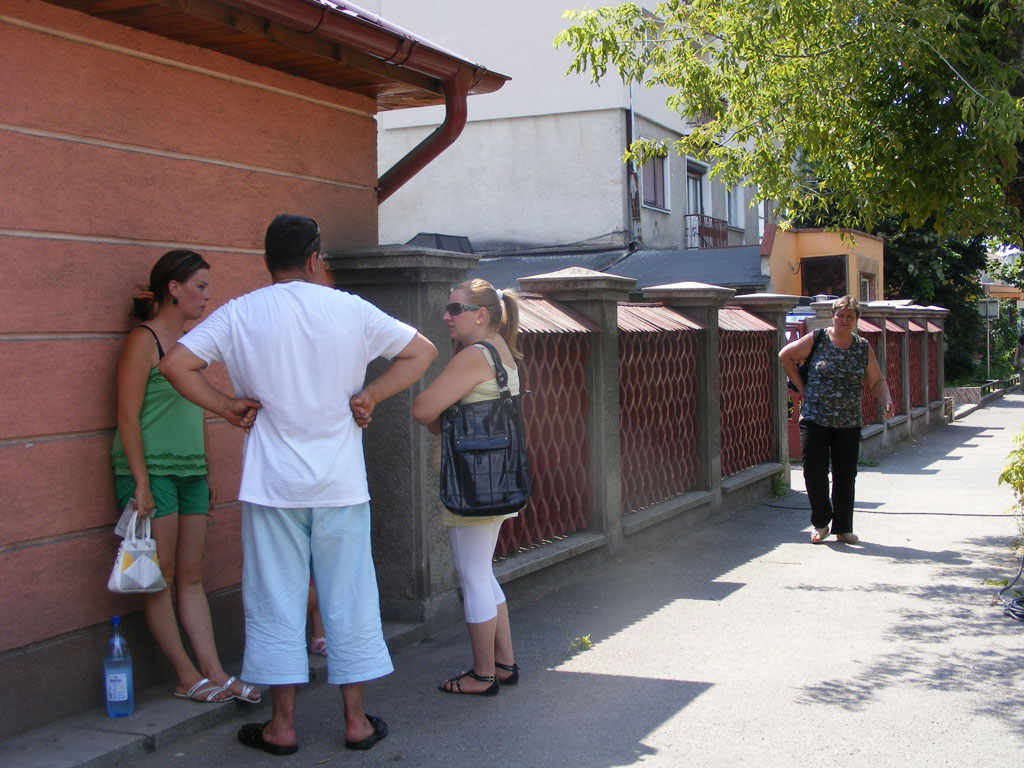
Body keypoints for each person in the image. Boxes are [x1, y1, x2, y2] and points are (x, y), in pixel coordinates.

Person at [160, 214, 436, 755]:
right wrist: (371, 397)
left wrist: (226, 406)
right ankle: (355, 721)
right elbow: (420, 351)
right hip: (340, 484)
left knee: (275, 600)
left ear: (268, 261)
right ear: (315, 259)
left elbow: (175, 364)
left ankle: (281, 725)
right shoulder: (348, 308)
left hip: (272, 485)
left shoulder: (240, 313)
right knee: (348, 598)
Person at [110, 250, 260, 704]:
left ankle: (215, 672)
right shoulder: (144, 340)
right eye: (199, 286)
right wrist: (138, 481)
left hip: (191, 472)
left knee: (192, 574)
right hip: (151, 472)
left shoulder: (192, 345)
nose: (207, 295)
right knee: (162, 572)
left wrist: (208, 467)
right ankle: (184, 675)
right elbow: (127, 416)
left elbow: (198, 410)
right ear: (173, 289)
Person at [411, 279, 523, 696]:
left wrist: (441, 419)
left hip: (469, 481)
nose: (446, 316)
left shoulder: (474, 355)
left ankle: (482, 674)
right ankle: (504, 663)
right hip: (494, 476)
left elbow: (422, 409)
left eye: (454, 309)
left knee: (472, 573)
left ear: (480, 314)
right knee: (482, 570)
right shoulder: (500, 350)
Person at [779, 295, 894, 544]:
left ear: (856, 320)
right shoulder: (818, 338)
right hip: (815, 418)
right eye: (840, 315)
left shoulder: (862, 347)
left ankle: (843, 527)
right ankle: (821, 523)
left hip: (848, 421)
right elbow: (785, 356)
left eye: (850, 316)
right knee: (813, 471)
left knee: (845, 474)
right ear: (833, 316)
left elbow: (876, 380)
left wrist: (886, 399)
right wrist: (802, 388)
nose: (844, 320)